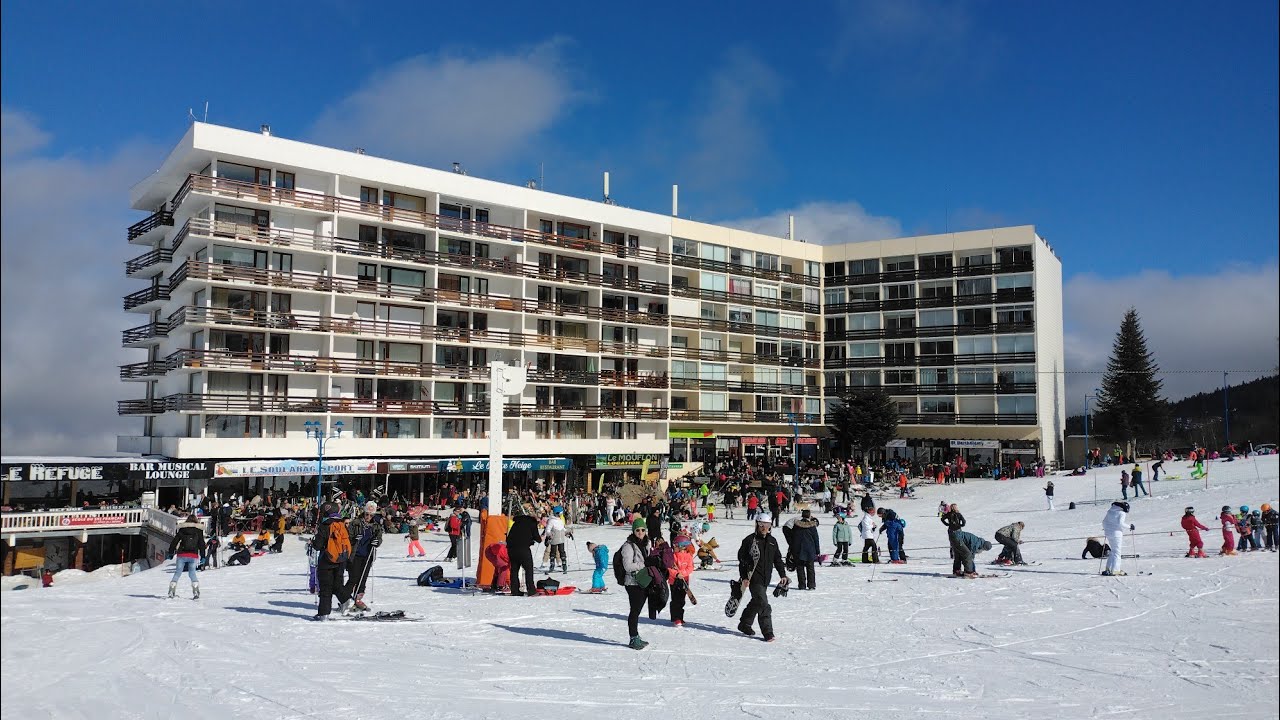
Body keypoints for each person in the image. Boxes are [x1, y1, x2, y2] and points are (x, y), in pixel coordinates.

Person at [736, 518, 789, 642]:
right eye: (762, 525)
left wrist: (783, 574)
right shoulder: (749, 541)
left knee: (757, 601)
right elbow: (742, 561)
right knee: (764, 604)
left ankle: (744, 624)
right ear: (757, 525)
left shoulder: (772, 541)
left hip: (766, 578)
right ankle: (768, 632)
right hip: (753, 578)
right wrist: (744, 577)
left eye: (767, 525)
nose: (765, 528)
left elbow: (778, 559)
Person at [310, 503, 354, 620]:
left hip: (327, 559)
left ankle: (323, 613)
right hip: (340, 559)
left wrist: (312, 543)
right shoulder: (342, 524)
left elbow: (318, 545)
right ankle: (346, 600)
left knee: (325, 587)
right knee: (337, 584)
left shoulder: (325, 525)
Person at [619, 518, 651, 649]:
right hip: (632, 582)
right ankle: (633, 637)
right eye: (637, 530)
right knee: (635, 610)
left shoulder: (646, 543)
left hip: (643, 580)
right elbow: (627, 566)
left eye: (643, 530)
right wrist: (644, 564)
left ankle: (636, 636)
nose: (640, 532)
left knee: (637, 610)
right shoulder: (628, 546)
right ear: (633, 531)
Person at [345, 501, 383, 611]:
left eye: (371, 515)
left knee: (363, 579)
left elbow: (379, 538)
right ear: (364, 512)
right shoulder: (355, 523)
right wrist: (354, 538)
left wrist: (377, 542)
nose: (368, 517)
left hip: (368, 555)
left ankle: (357, 599)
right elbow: (347, 537)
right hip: (355, 554)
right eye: (367, 514)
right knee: (354, 578)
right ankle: (346, 599)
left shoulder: (376, 525)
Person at [168, 514, 205, 599]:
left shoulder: (182, 530)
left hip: (181, 554)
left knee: (178, 572)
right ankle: (196, 591)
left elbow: (174, 541)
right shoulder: (198, 530)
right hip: (193, 555)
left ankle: (171, 590)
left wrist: (171, 553)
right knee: (192, 573)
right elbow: (201, 543)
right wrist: (203, 556)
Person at [505, 513, 541, 596]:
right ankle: (531, 590)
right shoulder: (532, 522)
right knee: (528, 569)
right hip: (523, 548)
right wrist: (540, 538)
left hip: (511, 548)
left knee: (514, 569)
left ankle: (514, 590)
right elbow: (537, 538)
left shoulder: (516, 522)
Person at [669, 534, 695, 626]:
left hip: (684, 581)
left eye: (675, 546)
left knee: (682, 600)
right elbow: (669, 568)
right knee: (675, 599)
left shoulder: (688, 556)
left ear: (682, 546)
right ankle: (676, 618)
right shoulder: (672, 556)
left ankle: (680, 617)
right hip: (674, 582)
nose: (674, 547)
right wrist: (676, 574)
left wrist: (683, 573)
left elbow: (690, 567)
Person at [791, 508, 820, 590]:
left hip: (798, 549)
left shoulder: (796, 525)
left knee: (800, 568)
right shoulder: (812, 526)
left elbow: (793, 537)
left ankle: (801, 585)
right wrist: (817, 551)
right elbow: (816, 539)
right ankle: (811, 585)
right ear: (809, 516)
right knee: (810, 568)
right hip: (810, 550)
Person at [1101, 501, 1131, 576]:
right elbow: (1121, 523)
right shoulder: (1121, 513)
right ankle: (1116, 570)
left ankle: (1108, 569)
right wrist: (1130, 527)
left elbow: (1104, 522)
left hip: (1108, 533)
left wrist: (1106, 529)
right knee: (1117, 552)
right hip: (1117, 534)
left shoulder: (1110, 511)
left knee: (1113, 551)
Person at [941, 504, 966, 575]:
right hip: (958, 530)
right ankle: (957, 554)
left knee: (952, 542)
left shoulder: (948, 514)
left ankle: (952, 554)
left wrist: (947, 524)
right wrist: (960, 525)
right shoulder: (959, 514)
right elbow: (964, 522)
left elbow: (942, 519)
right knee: (959, 542)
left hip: (951, 529)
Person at [544, 508, 570, 573]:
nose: (561, 514)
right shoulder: (551, 520)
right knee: (553, 551)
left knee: (562, 551)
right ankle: (552, 564)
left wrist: (567, 532)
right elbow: (548, 529)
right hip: (554, 539)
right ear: (557, 513)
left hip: (561, 539)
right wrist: (549, 535)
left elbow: (562, 528)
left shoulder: (560, 520)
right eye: (561, 513)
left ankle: (564, 563)